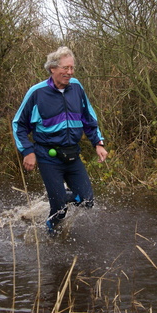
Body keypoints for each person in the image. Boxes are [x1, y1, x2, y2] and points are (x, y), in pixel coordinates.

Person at [12, 46, 108, 235]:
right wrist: (28, 152)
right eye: (65, 68)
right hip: (48, 156)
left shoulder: (77, 88)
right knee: (59, 210)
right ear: (53, 68)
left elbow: (88, 117)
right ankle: (51, 237)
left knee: (87, 201)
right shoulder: (37, 93)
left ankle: (60, 196)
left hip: (72, 154)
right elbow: (19, 124)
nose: (69, 72)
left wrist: (98, 143)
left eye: (72, 68)